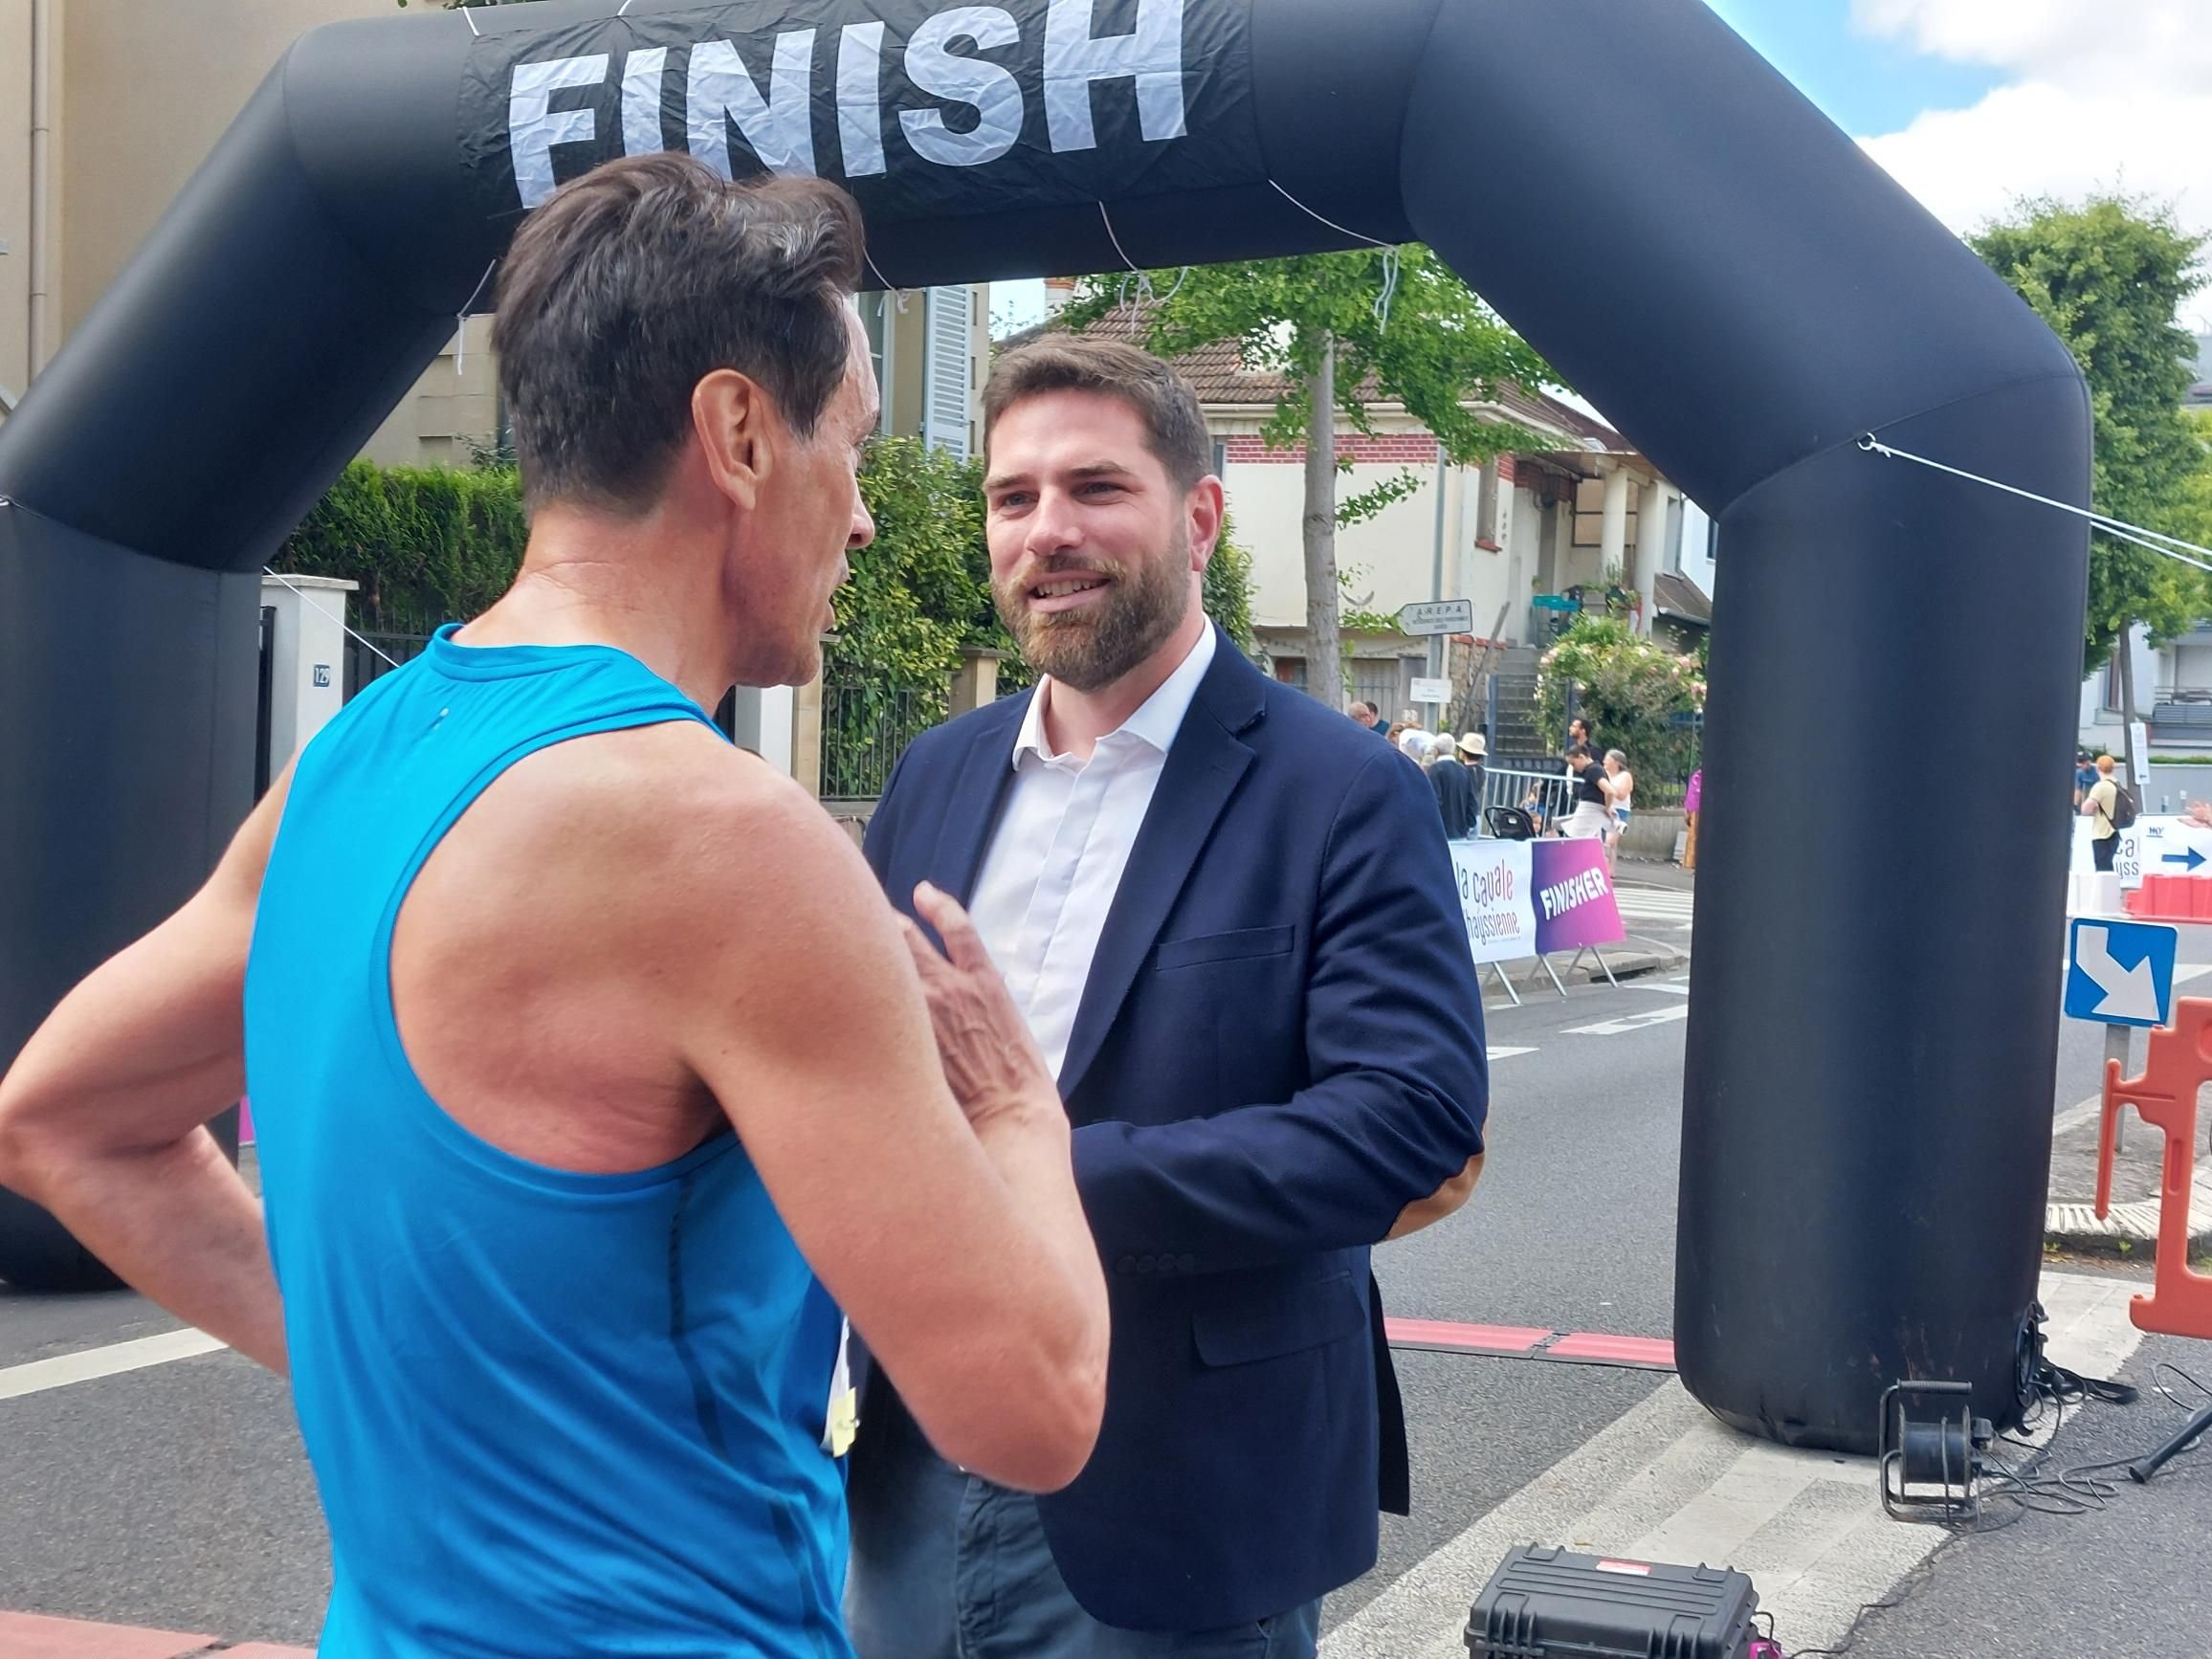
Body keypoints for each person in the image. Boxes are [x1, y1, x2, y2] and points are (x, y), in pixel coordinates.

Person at [0, 157, 1111, 1659]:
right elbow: (1033, 1408)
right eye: (846, 446)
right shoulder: (728, 842)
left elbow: (57, 1118)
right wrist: (1018, 1111)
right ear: (736, 433)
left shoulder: (350, 762)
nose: (859, 519)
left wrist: (388, 1374)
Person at [849, 335, 1490, 1659]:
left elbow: (1410, 1118)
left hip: (1183, 1491)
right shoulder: (935, 774)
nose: (1049, 532)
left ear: (1198, 516)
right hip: (915, 1456)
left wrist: (1048, 1170)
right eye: (1012, 498)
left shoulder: (1342, 789)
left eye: (1096, 487)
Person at [1430, 732, 1478, 839]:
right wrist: (1469, 825)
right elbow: (1472, 801)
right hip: (1461, 831)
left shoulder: (1435, 770)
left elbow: (1434, 801)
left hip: (1442, 832)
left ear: (1436, 751)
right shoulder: (1463, 770)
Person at [2081, 753, 2125, 872]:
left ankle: (2105, 890)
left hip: (2101, 833)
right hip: (2114, 831)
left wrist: (2091, 807)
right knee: (2108, 865)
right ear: (2113, 768)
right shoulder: (2117, 784)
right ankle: (2109, 889)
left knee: (2102, 868)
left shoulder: (2100, 787)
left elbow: (2085, 810)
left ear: (2098, 768)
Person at [1562, 743, 1613, 839]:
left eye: (1573, 763)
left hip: (1590, 815)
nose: (1573, 767)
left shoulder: (1593, 770)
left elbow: (1610, 791)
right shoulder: (1593, 770)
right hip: (1590, 816)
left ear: (1581, 757)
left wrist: (1608, 807)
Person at [1602, 748, 1635, 865]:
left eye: (1608, 759)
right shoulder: (1603, 774)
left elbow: (1622, 795)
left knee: (1608, 841)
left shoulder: (1625, 776)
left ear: (1616, 762)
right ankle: (1610, 870)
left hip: (1620, 811)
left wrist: (1607, 787)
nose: (1604, 761)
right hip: (1605, 808)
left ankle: (1604, 868)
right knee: (1611, 844)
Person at [1682, 765, 1702, 870]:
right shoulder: (1698, 776)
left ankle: (1694, 862)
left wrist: (1687, 810)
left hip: (1695, 811)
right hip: (1696, 811)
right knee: (1695, 837)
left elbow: (1691, 794)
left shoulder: (1697, 776)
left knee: (1695, 837)